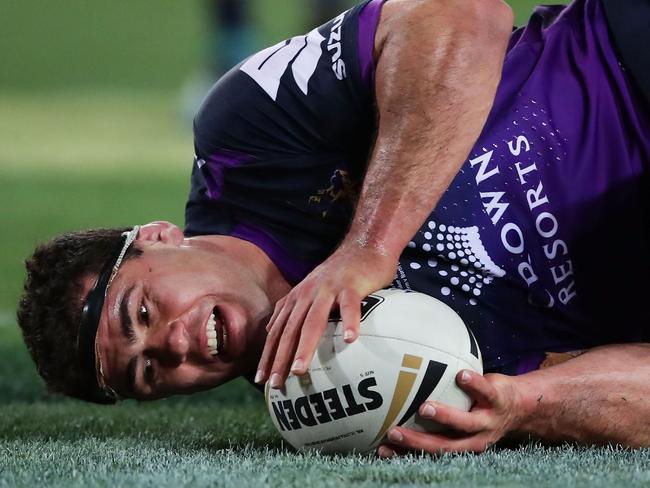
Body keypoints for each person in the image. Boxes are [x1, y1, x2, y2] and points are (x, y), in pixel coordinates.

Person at [17, 0, 650, 455]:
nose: (174, 347)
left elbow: (460, 13)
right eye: (150, 372)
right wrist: (526, 407)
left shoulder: (244, 142)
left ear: (157, 236)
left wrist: (370, 247)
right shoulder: (339, 399)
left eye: (145, 313)